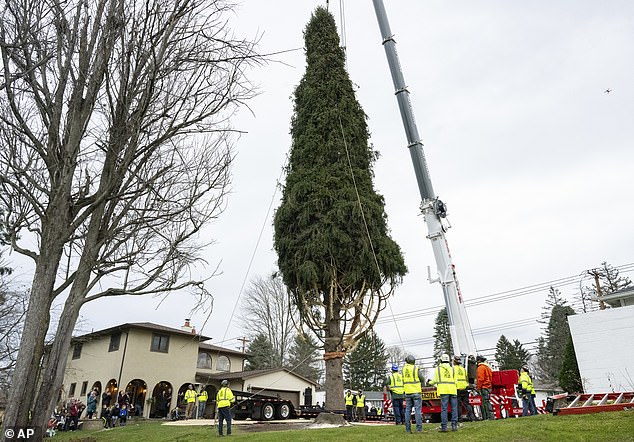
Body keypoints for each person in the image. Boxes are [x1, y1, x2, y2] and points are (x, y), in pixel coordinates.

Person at [431, 354, 458, 432]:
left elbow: (434, 381)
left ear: (441, 360)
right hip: (452, 390)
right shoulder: (452, 369)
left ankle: (444, 427)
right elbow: (456, 381)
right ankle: (454, 426)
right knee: (454, 408)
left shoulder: (438, 369)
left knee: (444, 409)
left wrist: (430, 382)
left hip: (443, 390)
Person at [403, 354, 424, 433]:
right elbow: (422, 378)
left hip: (407, 392)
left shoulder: (404, 369)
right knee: (417, 411)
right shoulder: (416, 368)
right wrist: (422, 386)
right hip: (416, 392)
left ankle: (408, 429)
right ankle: (419, 429)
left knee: (407, 410)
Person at [454, 356, 476, 422]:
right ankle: (472, 418)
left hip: (457, 388)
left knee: (459, 405)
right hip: (465, 387)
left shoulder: (453, 369)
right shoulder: (463, 369)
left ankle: (459, 419)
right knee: (467, 404)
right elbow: (466, 378)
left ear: (454, 362)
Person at [476, 355, 494, 420]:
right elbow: (491, 377)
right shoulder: (488, 367)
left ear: (479, 361)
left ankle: (488, 416)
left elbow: (480, 379)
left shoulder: (480, 368)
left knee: (485, 402)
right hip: (488, 386)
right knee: (488, 401)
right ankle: (491, 416)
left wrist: (478, 387)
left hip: (484, 387)